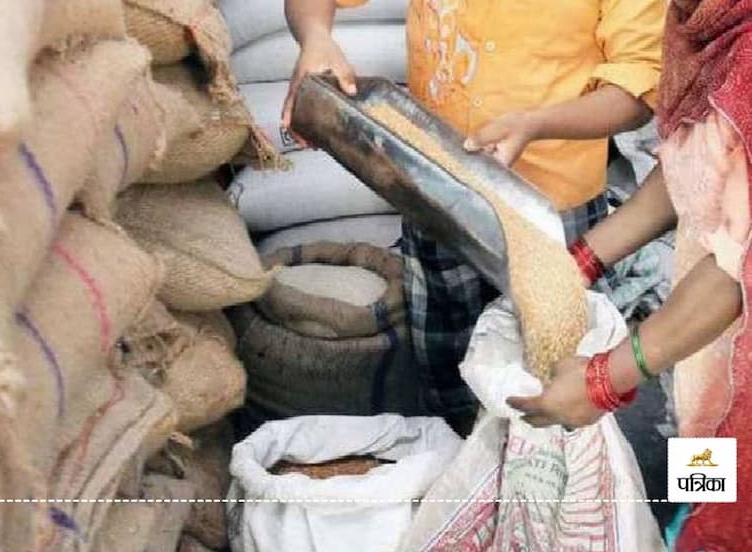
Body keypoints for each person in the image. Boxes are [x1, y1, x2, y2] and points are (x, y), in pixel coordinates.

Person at [282, 0, 665, 434]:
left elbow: (639, 90)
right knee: (451, 367)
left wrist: (536, 124)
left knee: (561, 382)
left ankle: (557, 479)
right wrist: (315, 36)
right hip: (437, 196)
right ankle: (466, 465)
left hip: (554, 214)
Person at [509, 1, 752, 549]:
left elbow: (734, 268)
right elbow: (697, 159)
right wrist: (578, 263)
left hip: (733, 314)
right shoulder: (704, 19)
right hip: (713, 347)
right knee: (703, 437)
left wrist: (605, 380)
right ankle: (691, 519)